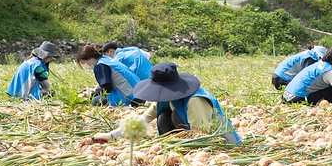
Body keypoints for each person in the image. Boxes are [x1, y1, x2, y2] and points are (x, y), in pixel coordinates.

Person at [91, 61, 241, 144]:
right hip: (188, 140)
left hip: (220, 143)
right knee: (163, 116)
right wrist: (110, 135)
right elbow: (141, 121)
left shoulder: (195, 101)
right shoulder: (165, 100)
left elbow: (204, 136)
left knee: (175, 115)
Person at [76, 44, 145, 106]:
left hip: (131, 98)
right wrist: (93, 90)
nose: (85, 65)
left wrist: (91, 94)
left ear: (89, 59)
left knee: (96, 100)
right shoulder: (105, 59)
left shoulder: (101, 66)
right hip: (139, 93)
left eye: (84, 62)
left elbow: (107, 89)